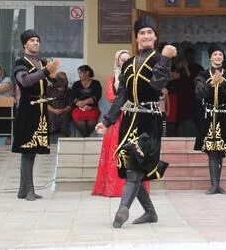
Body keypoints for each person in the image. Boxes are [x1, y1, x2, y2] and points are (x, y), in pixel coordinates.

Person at [96, 17, 173, 228]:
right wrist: (107, 121)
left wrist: (166, 59)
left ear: (155, 36)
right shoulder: (128, 64)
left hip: (149, 120)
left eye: (150, 32)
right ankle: (150, 212)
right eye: (142, 33)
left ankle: (123, 209)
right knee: (131, 167)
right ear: (136, 37)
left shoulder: (160, 59)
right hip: (129, 120)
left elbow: (158, 84)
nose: (146, 36)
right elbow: (121, 95)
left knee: (136, 168)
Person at [11, 29, 61, 201]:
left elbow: (55, 83)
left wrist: (54, 76)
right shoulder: (20, 62)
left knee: (33, 150)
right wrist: (46, 71)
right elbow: (25, 81)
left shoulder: (42, 62)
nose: (36, 43)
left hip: (40, 109)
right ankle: (29, 190)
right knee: (27, 150)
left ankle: (22, 190)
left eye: (38, 40)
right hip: (27, 107)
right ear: (25, 44)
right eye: (32, 40)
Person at [94, 49, 148, 198]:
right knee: (116, 151)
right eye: (121, 60)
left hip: (132, 118)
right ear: (117, 61)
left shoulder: (136, 79)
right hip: (116, 119)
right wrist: (119, 80)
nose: (124, 62)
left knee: (133, 151)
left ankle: (135, 188)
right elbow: (112, 98)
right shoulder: (111, 80)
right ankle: (114, 187)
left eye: (127, 59)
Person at [195, 44, 226, 194]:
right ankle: (215, 185)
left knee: (219, 149)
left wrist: (223, 82)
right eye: (215, 54)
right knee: (211, 150)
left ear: (223, 57)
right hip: (208, 115)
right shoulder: (202, 74)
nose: (218, 57)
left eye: (220, 54)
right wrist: (211, 83)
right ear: (210, 58)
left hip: (223, 115)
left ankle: (216, 185)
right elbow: (199, 93)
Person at [70, 64, 102, 137]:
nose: (79, 75)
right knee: (81, 124)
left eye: (81, 73)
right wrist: (78, 103)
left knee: (91, 124)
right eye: (78, 73)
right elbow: (72, 97)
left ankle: (85, 139)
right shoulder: (76, 84)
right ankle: (86, 139)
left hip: (92, 109)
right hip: (78, 109)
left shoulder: (96, 83)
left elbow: (97, 96)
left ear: (87, 73)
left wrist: (85, 102)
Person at [46, 72, 71, 141]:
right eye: (62, 79)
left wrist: (64, 110)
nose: (65, 80)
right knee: (51, 116)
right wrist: (54, 110)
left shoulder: (69, 90)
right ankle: (51, 139)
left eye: (65, 79)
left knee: (64, 116)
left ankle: (64, 139)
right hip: (51, 110)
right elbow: (45, 103)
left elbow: (70, 104)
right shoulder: (49, 89)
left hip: (65, 110)